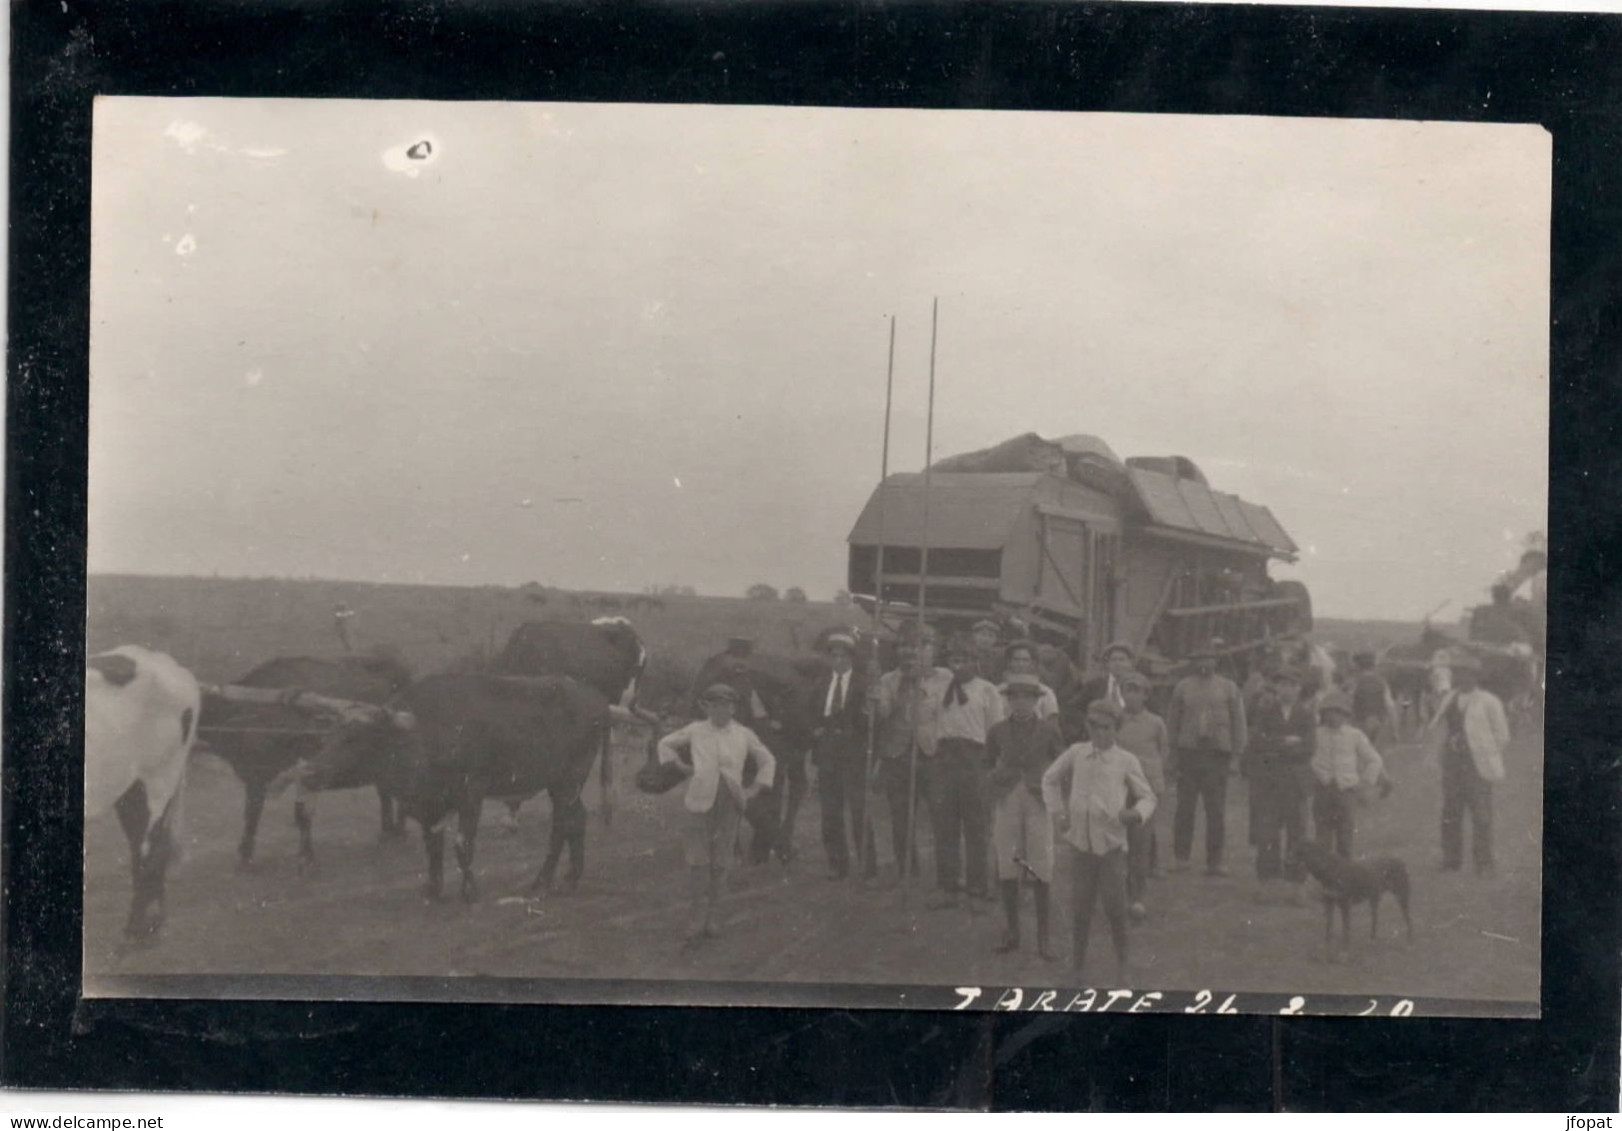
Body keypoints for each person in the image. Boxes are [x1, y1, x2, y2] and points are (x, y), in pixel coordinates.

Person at [1042, 699, 1156, 984]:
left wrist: (1134, 813)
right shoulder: (1076, 753)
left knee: (1115, 907)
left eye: (1106, 728)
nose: (1099, 733)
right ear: (1087, 726)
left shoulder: (1125, 760)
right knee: (1081, 907)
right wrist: (1058, 813)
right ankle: (1077, 966)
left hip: (1111, 846)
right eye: (1093, 726)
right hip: (1081, 845)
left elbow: (1148, 797)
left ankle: (1123, 965)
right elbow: (1049, 779)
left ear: (1115, 729)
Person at [656, 684, 777, 945]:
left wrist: (755, 788)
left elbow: (767, 760)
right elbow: (665, 743)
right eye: (715, 705)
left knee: (721, 862)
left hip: (730, 802)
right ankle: (696, 917)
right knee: (698, 861)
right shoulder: (696, 730)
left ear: (734, 708)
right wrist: (680, 766)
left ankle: (714, 917)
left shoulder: (744, 734)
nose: (721, 710)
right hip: (699, 800)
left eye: (726, 705)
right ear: (706, 707)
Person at [986, 674, 1067, 957]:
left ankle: (1043, 938)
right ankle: (1012, 933)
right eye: (1015, 697)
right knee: (1007, 862)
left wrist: (1052, 791)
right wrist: (995, 781)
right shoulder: (997, 730)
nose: (1021, 703)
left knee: (1040, 863)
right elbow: (986, 762)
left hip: (1037, 798)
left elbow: (1062, 764)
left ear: (1037, 701)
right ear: (1007, 701)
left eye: (1027, 697)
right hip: (1007, 796)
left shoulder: (1048, 730)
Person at [927, 638, 1004, 908]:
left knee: (976, 827)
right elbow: (929, 719)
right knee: (944, 825)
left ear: (976, 662)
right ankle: (948, 886)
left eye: (964, 660)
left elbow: (996, 731)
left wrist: (991, 768)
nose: (958, 666)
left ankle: (977, 889)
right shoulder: (939, 688)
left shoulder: (988, 691)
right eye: (953, 661)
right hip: (945, 759)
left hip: (975, 760)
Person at [1165, 639, 1248, 876]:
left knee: (1216, 810)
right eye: (1199, 659)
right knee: (1185, 808)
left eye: (1208, 659)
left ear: (1216, 661)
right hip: (1189, 754)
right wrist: (1172, 754)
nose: (1204, 663)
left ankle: (1215, 862)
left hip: (1217, 757)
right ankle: (1181, 858)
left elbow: (1239, 724)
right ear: (1193, 663)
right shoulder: (1182, 687)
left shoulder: (1229, 687)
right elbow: (1173, 722)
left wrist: (1235, 758)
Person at [871, 631, 949, 881]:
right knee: (901, 817)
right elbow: (881, 713)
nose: (910, 651)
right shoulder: (888, 680)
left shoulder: (944, 677)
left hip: (932, 754)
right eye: (904, 645)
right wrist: (873, 700)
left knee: (941, 815)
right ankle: (908, 871)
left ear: (931, 649)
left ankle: (946, 874)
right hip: (897, 755)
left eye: (918, 645)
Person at [1427, 651, 1510, 877]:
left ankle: (1484, 862)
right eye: (1459, 673)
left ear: (1476, 676)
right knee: (1450, 813)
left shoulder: (1489, 702)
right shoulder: (1449, 698)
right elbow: (1439, 726)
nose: (1463, 678)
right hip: (1453, 766)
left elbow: (1502, 736)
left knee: (1481, 815)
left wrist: (1480, 752)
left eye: (1467, 674)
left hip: (1477, 767)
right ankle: (1451, 860)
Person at [810, 632, 874, 880]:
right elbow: (810, 711)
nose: (838, 660)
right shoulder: (821, 682)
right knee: (830, 813)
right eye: (833, 655)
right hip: (827, 755)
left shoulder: (863, 684)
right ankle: (838, 865)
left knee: (859, 812)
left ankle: (868, 869)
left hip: (853, 755)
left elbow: (869, 721)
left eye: (843, 655)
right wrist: (814, 728)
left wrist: (869, 713)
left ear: (852, 658)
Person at [1247, 668, 1316, 883]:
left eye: (1292, 685)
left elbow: (1309, 747)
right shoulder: (1265, 712)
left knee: (1297, 832)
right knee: (1268, 833)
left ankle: (1296, 881)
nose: (1287, 690)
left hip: (1296, 783)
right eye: (1282, 685)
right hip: (1270, 781)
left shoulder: (1306, 714)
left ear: (1299, 689)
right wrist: (1287, 742)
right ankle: (1268, 880)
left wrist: (1277, 744)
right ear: (1276, 688)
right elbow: (1257, 742)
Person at [1115, 671, 1168, 917]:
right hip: (1117, 787)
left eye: (1138, 690)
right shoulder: (1115, 720)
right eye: (1128, 689)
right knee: (1116, 844)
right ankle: (1118, 894)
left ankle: (1137, 898)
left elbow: (1162, 753)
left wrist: (1153, 783)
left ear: (1146, 695)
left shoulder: (1156, 722)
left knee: (1140, 845)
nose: (1132, 695)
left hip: (1145, 790)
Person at [1309, 693, 1386, 858]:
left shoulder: (1354, 735)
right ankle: (1325, 876)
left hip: (1346, 792)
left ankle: (1345, 875)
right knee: (1323, 837)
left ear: (1345, 715)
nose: (1333, 716)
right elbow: (1307, 757)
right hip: (1323, 790)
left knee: (1345, 836)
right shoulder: (1316, 734)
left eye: (1338, 712)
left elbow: (1374, 760)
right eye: (1329, 712)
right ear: (1323, 714)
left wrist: (1365, 782)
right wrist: (1316, 772)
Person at [1350, 652, 1400, 753]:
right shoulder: (1381, 682)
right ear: (1373, 666)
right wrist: (1395, 730)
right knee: (1373, 753)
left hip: (1359, 722)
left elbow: (1348, 703)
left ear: (1357, 666)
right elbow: (1390, 707)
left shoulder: (1354, 682)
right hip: (1377, 722)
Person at [999, 641, 1060, 720]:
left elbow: (1052, 725)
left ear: (1033, 663)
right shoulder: (997, 691)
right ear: (1009, 662)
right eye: (1016, 659)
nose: (1020, 664)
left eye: (1025, 660)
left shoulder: (1046, 692)